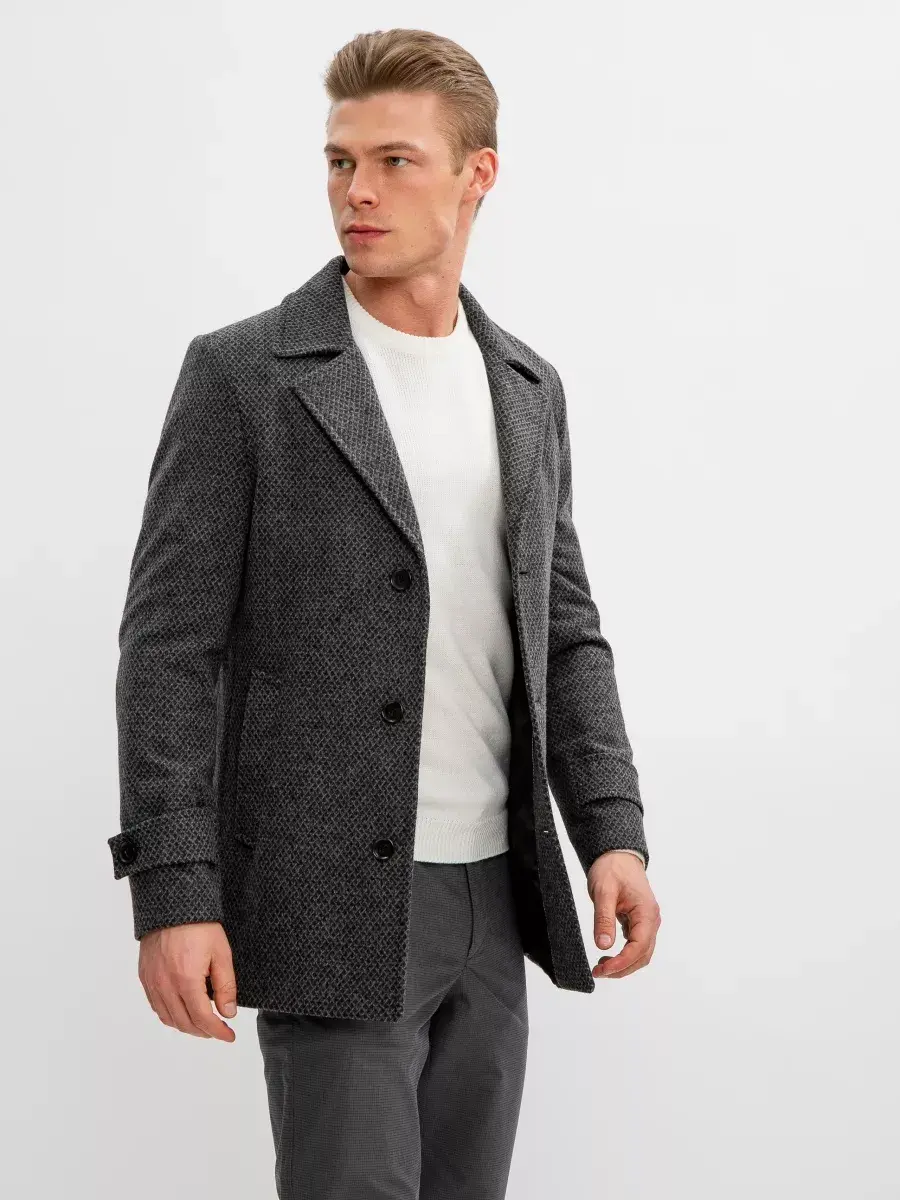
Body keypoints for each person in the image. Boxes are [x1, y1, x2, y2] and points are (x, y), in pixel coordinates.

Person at [106, 27, 662, 1200]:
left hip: (496, 892)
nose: (356, 191)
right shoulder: (246, 376)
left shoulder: (527, 389)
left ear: (477, 174)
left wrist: (611, 828)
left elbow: (565, 632)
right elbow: (168, 651)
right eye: (340, 161)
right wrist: (175, 892)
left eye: (395, 161)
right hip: (332, 897)